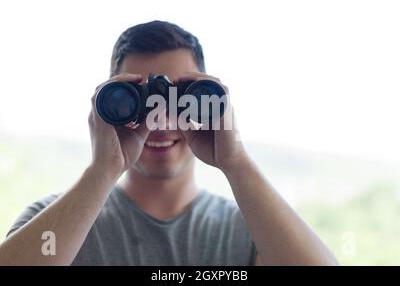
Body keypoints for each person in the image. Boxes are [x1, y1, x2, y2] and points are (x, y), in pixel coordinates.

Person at [0, 20, 338, 265]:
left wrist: (236, 162)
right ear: (109, 106)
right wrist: (101, 171)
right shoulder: (56, 224)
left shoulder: (251, 227)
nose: (160, 121)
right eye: (140, 100)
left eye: (181, 99)